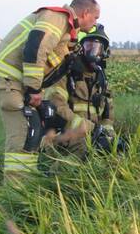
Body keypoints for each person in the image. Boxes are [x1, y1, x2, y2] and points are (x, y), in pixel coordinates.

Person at [0, 0, 100, 183]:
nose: (95, 23)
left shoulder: (66, 32)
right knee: (25, 132)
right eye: (95, 18)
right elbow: (36, 48)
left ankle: (28, 182)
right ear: (86, 13)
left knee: (33, 129)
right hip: (6, 77)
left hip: (13, 81)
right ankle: (16, 193)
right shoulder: (57, 19)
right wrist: (34, 89)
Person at [43, 24, 116, 153]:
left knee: (117, 150)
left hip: (91, 137)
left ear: (104, 52)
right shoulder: (66, 74)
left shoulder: (101, 80)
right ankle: (55, 171)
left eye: (97, 48)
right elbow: (57, 107)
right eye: (89, 46)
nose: (93, 52)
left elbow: (107, 115)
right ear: (80, 49)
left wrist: (107, 134)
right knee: (85, 151)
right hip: (63, 137)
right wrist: (91, 130)